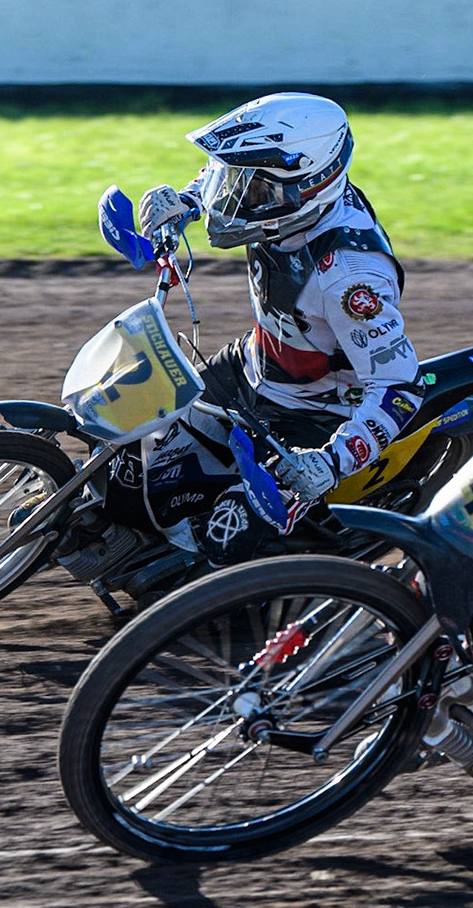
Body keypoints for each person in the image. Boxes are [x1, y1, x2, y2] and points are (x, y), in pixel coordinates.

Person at [129, 93, 422, 561]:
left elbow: (400, 386)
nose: (231, 200)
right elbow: (223, 176)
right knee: (141, 437)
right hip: (255, 365)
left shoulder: (349, 277)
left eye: (252, 191)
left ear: (307, 187)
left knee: (222, 547)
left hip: (317, 416)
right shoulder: (289, 190)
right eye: (235, 182)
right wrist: (183, 203)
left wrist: (330, 462)